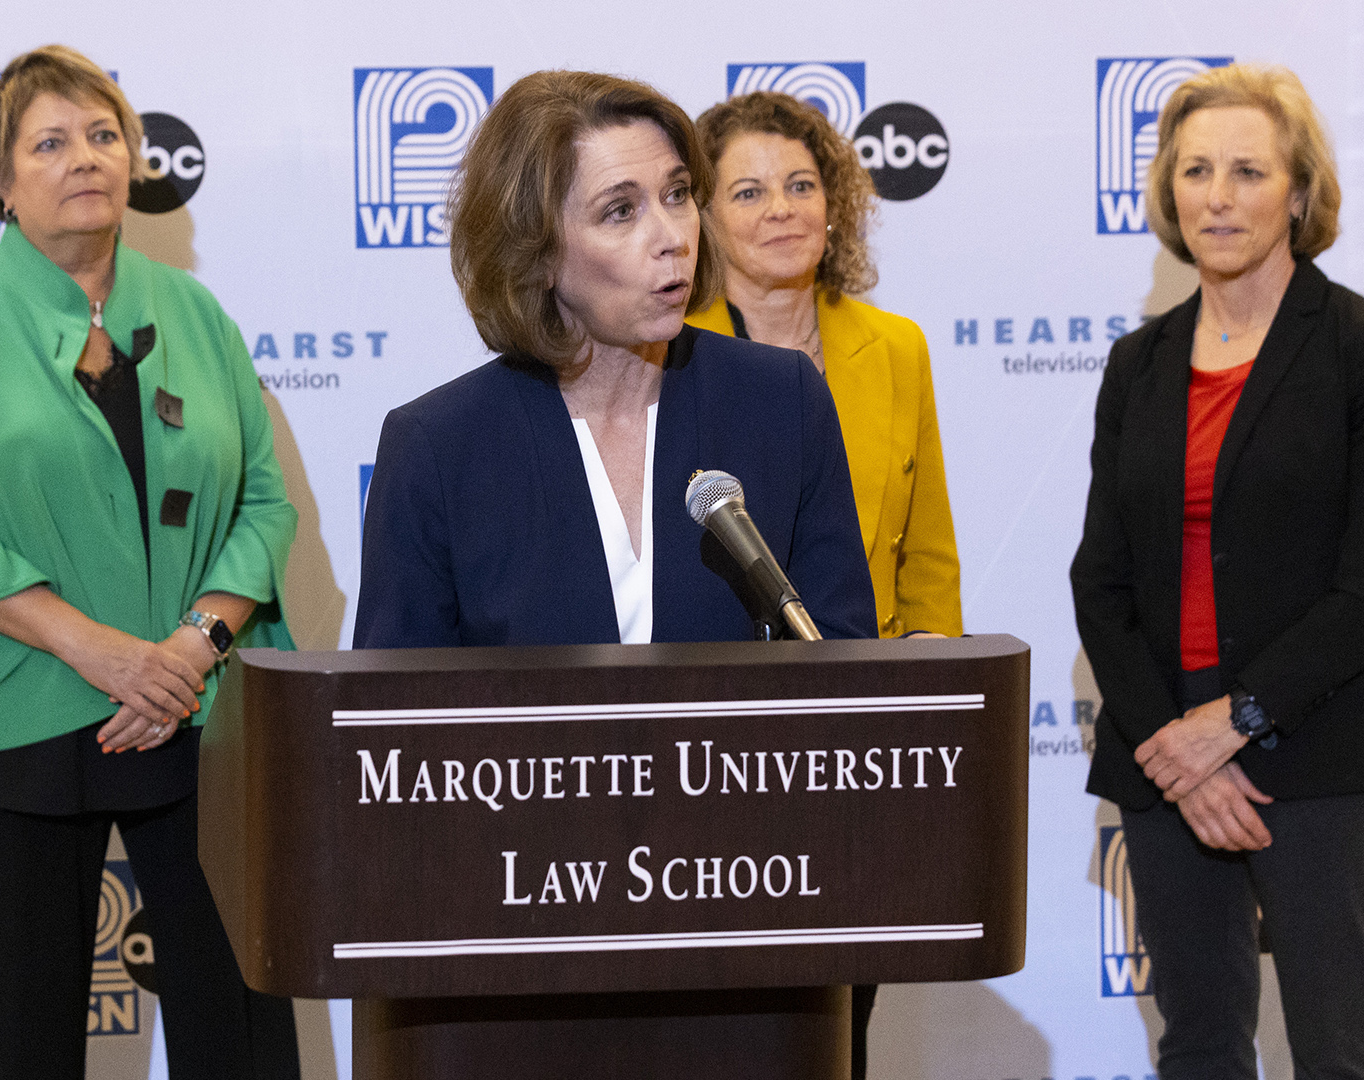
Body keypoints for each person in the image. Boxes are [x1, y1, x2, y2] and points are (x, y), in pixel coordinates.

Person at [0, 45, 300, 1080]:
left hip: (198, 718)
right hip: (12, 720)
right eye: (52, 142)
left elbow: (262, 504)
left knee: (242, 1033)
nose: (86, 159)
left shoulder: (194, 310)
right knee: (20, 1041)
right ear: (0, 178)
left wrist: (191, 650)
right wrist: (106, 655)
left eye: (104, 135)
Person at [1071, 63, 1364, 1079]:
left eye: (1249, 169)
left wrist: (1235, 722)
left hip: (1323, 758)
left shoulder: (1360, 348)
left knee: (1343, 1051)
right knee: (1198, 1049)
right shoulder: (1139, 364)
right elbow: (1099, 580)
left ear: (1298, 191)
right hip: (1166, 765)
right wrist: (1172, 742)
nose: (1218, 194)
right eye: (1195, 169)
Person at [353, 68, 874, 652]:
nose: (673, 235)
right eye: (620, 211)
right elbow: (390, 722)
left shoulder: (781, 402)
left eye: (677, 195)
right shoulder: (439, 448)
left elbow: (844, 668)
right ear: (538, 251)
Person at [686, 89, 965, 1076]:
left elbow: (925, 543)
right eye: (749, 190)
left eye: (802, 184)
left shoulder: (897, 348)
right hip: (707, 734)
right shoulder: (660, 355)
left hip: (859, 727)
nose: (782, 208)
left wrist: (933, 667)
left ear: (837, 202)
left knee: (842, 1001)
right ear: (705, 218)